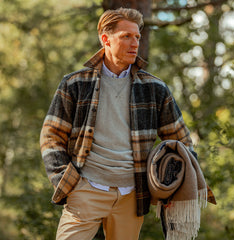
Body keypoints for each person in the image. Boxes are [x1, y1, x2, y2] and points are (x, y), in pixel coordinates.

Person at [40, 7, 197, 240]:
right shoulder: (75, 84)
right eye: (126, 36)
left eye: (137, 37)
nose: (135, 43)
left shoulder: (154, 88)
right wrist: (66, 181)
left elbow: (181, 141)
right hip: (85, 191)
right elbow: (51, 135)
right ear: (106, 39)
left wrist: (175, 188)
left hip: (132, 197)